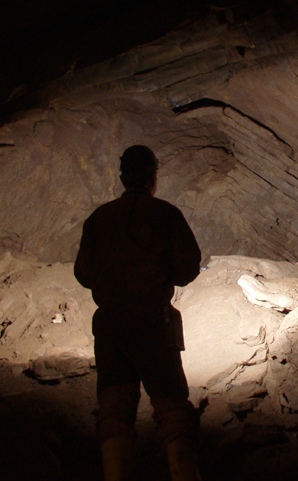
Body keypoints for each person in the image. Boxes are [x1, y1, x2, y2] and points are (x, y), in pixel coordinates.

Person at [74, 145, 203, 481]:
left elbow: (82, 273)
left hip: (111, 322)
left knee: (114, 409)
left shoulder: (98, 219)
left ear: (122, 177)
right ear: (153, 178)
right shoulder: (165, 214)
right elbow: (188, 267)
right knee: (171, 406)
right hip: (153, 320)